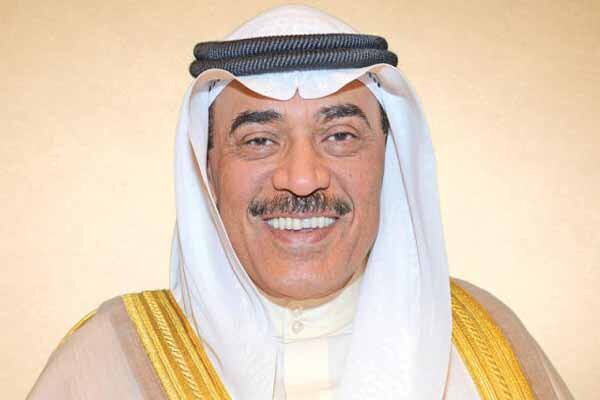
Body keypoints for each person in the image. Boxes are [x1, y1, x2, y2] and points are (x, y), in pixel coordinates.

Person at [28, 5, 573, 400]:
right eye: (259, 140)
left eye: (340, 136)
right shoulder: (109, 359)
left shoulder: (488, 346)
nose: (303, 178)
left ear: (387, 160)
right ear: (208, 169)